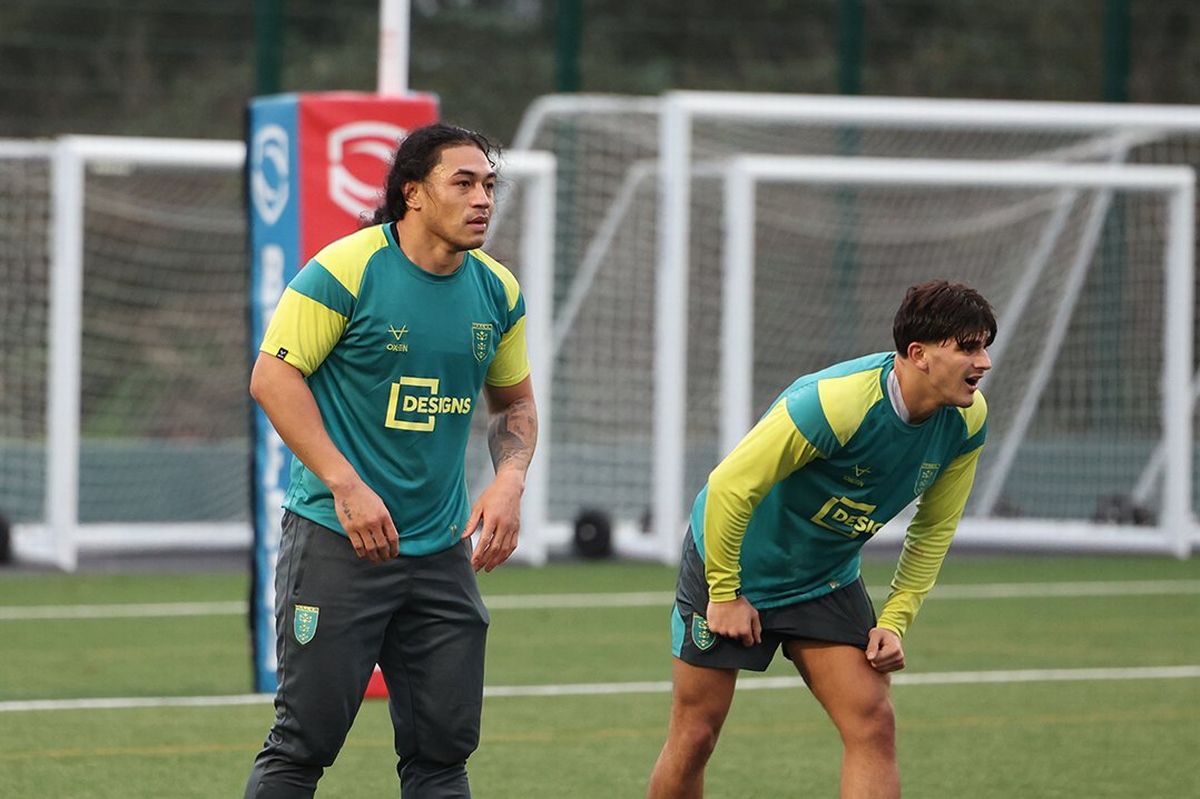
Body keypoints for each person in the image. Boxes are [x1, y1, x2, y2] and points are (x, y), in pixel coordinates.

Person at [244, 123, 538, 798]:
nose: (482, 199)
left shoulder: (498, 291)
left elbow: (515, 403)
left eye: (488, 185)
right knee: (302, 745)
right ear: (413, 193)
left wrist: (510, 478)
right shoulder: (344, 270)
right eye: (462, 183)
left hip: (440, 552)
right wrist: (345, 484)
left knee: (443, 755)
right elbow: (273, 379)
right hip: (338, 541)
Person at [646, 280, 996, 799]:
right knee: (695, 736)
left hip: (825, 578)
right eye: (968, 347)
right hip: (735, 563)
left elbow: (933, 531)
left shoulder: (968, 420)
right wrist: (725, 592)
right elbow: (727, 489)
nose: (984, 362)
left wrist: (894, 620)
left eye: (984, 346)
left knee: (873, 721)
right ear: (919, 354)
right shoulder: (835, 403)